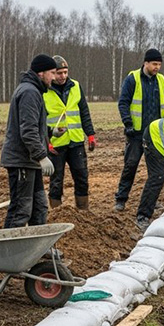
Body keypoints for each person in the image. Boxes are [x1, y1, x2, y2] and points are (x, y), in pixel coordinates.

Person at [0, 54, 59, 228]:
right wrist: (42, 156)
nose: (54, 78)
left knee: (39, 206)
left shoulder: (33, 90)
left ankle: (38, 249)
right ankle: (8, 252)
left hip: (30, 162)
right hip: (21, 162)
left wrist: (50, 132)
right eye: (53, 73)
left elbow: (32, 126)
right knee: (21, 209)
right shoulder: (29, 92)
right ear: (41, 73)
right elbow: (27, 131)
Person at [115, 48, 164, 212]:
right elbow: (123, 103)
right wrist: (127, 123)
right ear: (145, 63)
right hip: (136, 133)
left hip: (155, 134)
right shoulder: (132, 79)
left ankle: (152, 200)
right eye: (154, 64)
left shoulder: (161, 80)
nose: (157, 67)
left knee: (155, 171)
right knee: (130, 165)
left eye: (159, 64)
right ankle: (121, 199)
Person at [44, 55, 97, 210]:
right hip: (56, 145)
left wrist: (91, 134)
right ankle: (56, 213)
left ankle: (83, 212)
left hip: (76, 142)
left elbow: (84, 112)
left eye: (65, 72)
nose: (63, 76)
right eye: (59, 73)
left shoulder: (76, 86)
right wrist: (47, 141)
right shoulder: (44, 91)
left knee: (82, 178)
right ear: (52, 73)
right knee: (56, 182)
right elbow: (40, 121)